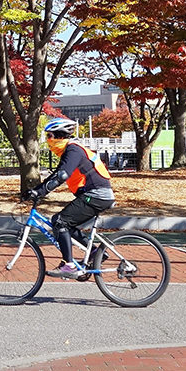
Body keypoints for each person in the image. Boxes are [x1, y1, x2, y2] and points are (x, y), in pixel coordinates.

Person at [22, 118, 115, 278]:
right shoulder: (69, 152)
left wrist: (41, 192)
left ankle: (69, 265)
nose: (48, 141)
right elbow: (55, 175)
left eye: (50, 136)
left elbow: (62, 176)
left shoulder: (73, 150)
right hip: (95, 195)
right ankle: (95, 252)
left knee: (59, 221)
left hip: (96, 195)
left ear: (59, 135)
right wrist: (36, 191)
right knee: (67, 225)